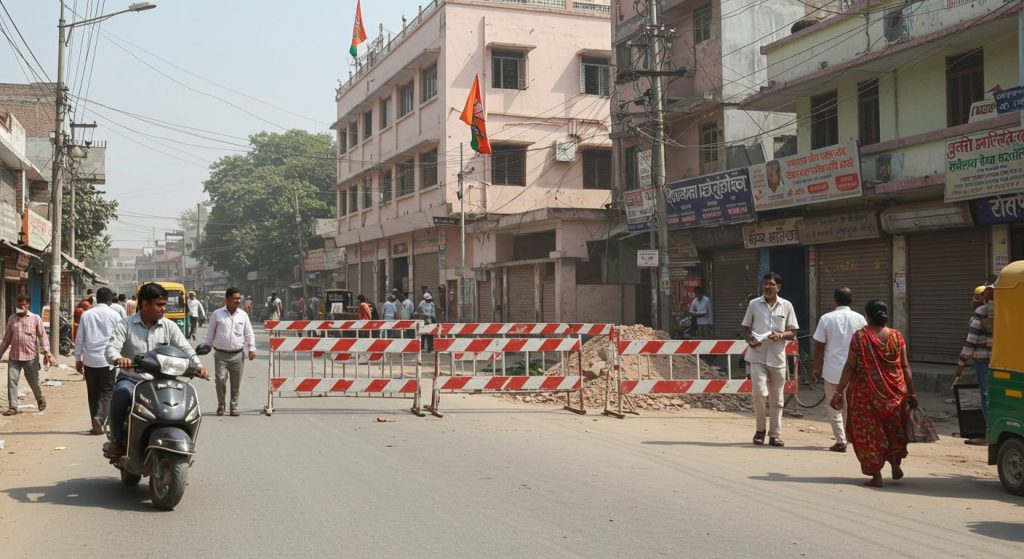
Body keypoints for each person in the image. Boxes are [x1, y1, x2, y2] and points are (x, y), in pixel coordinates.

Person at [104, 283, 209, 457]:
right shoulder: (126, 325)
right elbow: (111, 348)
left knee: (186, 401)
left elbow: (185, 348)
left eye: (164, 304)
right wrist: (118, 358)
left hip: (163, 380)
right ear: (145, 304)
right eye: (159, 305)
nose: (163, 309)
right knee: (121, 393)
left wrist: (198, 366)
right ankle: (117, 440)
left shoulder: (169, 326)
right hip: (133, 379)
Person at [830, 300, 917, 488]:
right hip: (895, 394)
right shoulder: (897, 336)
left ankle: (876, 475)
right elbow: (905, 366)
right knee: (893, 430)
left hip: (865, 395)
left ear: (867, 316)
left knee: (868, 434)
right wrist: (912, 392)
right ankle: (895, 464)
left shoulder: (859, 338)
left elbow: (850, 367)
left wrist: (838, 392)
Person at [740, 272, 798, 447]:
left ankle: (775, 434)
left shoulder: (786, 306)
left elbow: (793, 332)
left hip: (778, 358)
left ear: (778, 287)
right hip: (757, 356)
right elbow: (744, 327)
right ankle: (760, 430)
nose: (767, 287)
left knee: (777, 399)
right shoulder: (754, 304)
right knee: (758, 394)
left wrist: (780, 335)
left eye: (771, 284)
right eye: (765, 284)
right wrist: (749, 339)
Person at [812, 287, 867, 453]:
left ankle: (840, 439)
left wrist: (815, 366)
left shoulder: (826, 319)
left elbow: (819, 345)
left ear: (835, 300)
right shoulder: (860, 320)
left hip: (833, 370)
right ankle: (847, 436)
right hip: (854, 371)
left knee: (834, 405)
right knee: (849, 405)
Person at [74, 287, 122, 434]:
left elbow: (79, 338)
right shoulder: (115, 316)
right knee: (107, 392)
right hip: (108, 361)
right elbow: (121, 338)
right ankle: (100, 417)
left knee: (93, 393)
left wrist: (78, 359)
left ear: (96, 299)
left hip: (90, 360)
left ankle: (96, 422)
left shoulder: (87, 315)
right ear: (109, 300)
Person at [204, 287, 256, 417]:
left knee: (235, 382)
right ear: (227, 300)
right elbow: (210, 333)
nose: (238, 301)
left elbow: (249, 333)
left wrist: (252, 348)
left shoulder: (243, 315)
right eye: (235, 299)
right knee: (220, 379)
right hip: (220, 354)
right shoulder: (217, 314)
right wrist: (206, 347)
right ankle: (221, 404)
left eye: (239, 298)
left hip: (238, 354)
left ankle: (234, 406)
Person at [1, 295, 55, 416]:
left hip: (30, 357)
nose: (20, 307)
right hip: (14, 356)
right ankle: (13, 406)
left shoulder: (35, 318)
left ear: (28, 305)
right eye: (18, 305)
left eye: (23, 305)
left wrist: (47, 352)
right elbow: (6, 339)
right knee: (12, 381)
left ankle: (40, 398)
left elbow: (42, 336)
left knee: (34, 382)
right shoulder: (12, 319)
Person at [955, 283, 994, 429]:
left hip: (983, 360)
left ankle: (989, 431)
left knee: (986, 395)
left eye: (974, 297)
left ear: (981, 297)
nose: (972, 300)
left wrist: (961, 362)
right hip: (996, 359)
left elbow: (972, 339)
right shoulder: (999, 310)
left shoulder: (981, 311)